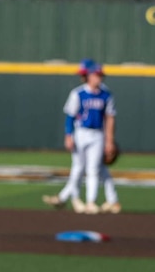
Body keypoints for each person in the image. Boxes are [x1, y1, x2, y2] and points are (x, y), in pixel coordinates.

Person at [43, 61, 118, 214]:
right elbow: (70, 116)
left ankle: (91, 202)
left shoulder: (106, 94)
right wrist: (68, 135)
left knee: (93, 169)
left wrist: (109, 140)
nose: (99, 78)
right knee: (77, 168)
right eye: (96, 75)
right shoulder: (78, 93)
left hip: (97, 134)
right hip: (81, 132)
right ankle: (74, 198)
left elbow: (110, 118)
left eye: (100, 75)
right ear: (89, 76)